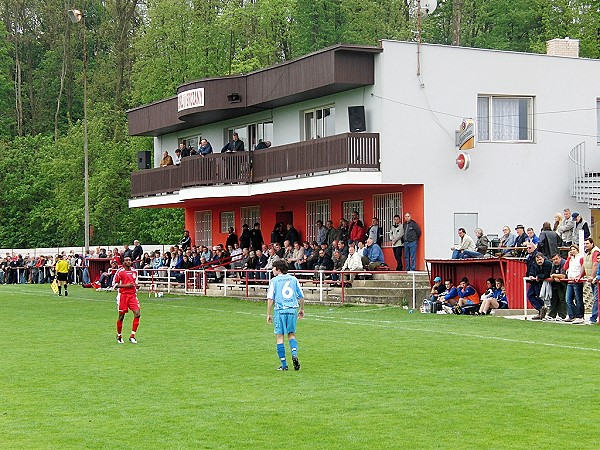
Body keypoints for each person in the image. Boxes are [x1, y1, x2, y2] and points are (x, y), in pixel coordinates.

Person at [266, 260, 305, 371]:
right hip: (292, 310)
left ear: (278, 269)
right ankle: (294, 353)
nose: (272, 270)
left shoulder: (274, 281)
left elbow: (270, 298)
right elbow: (301, 296)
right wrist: (301, 309)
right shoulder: (293, 279)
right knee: (291, 334)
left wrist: (268, 314)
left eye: (273, 268)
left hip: (280, 310)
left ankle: (284, 365)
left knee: (279, 337)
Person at [113, 256, 141, 344]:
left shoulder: (134, 271)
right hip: (123, 296)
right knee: (121, 316)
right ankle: (119, 335)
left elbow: (135, 283)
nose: (128, 261)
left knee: (137, 314)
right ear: (123, 262)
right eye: (126, 260)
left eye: (129, 260)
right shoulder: (120, 272)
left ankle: (132, 336)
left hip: (132, 295)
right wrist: (126, 286)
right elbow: (114, 285)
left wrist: (136, 286)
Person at [526, 252, 552, 320]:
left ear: (543, 258)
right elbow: (531, 271)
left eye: (540, 259)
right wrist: (531, 275)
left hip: (544, 283)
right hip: (535, 282)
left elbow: (547, 274)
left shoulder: (548, 263)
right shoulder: (534, 264)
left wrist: (539, 276)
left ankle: (543, 311)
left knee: (541, 296)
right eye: (537, 260)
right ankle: (540, 309)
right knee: (530, 295)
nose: (539, 261)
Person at [564, 244, 585, 324]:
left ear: (577, 250)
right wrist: (569, 258)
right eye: (571, 250)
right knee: (568, 300)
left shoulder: (581, 258)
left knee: (578, 299)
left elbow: (583, 269)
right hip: (570, 280)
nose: (572, 251)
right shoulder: (571, 259)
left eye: (574, 249)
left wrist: (580, 276)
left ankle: (580, 316)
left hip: (577, 281)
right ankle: (572, 315)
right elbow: (565, 267)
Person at [547, 253, 568, 321]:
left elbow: (563, 276)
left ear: (560, 258)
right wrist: (555, 276)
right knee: (554, 299)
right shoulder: (554, 264)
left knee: (562, 299)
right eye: (553, 260)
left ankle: (562, 315)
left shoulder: (564, 263)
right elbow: (551, 275)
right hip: (556, 283)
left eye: (556, 259)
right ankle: (552, 315)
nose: (555, 261)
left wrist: (554, 275)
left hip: (564, 284)